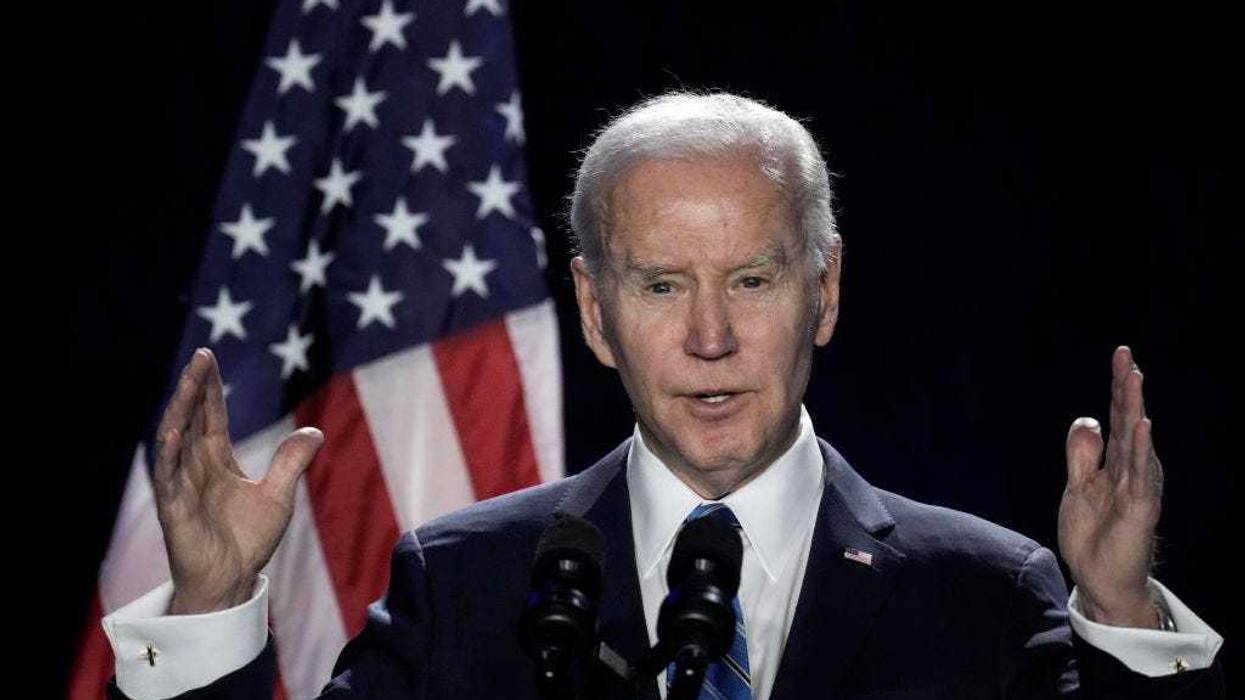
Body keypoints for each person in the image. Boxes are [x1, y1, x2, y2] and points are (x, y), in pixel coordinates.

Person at [104, 92, 1224, 699]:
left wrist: (1120, 617)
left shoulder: (986, 593)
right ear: (594, 311)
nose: (709, 336)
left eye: (750, 278)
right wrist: (209, 609)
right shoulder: (465, 588)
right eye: (659, 285)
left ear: (824, 292)